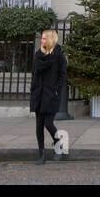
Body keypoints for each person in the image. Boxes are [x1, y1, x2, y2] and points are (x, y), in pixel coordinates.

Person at [29, 29, 68, 164]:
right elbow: (34, 72)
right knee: (39, 125)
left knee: (48, 123)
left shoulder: (59, 56)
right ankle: (41, 153)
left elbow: (63, 76)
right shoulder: (38, 55)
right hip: (39, 94)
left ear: (51, 39)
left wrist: (57, 89)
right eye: (42, 38)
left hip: (51, 94)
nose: (42, 41)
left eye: (45, 38)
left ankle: (58, 143)